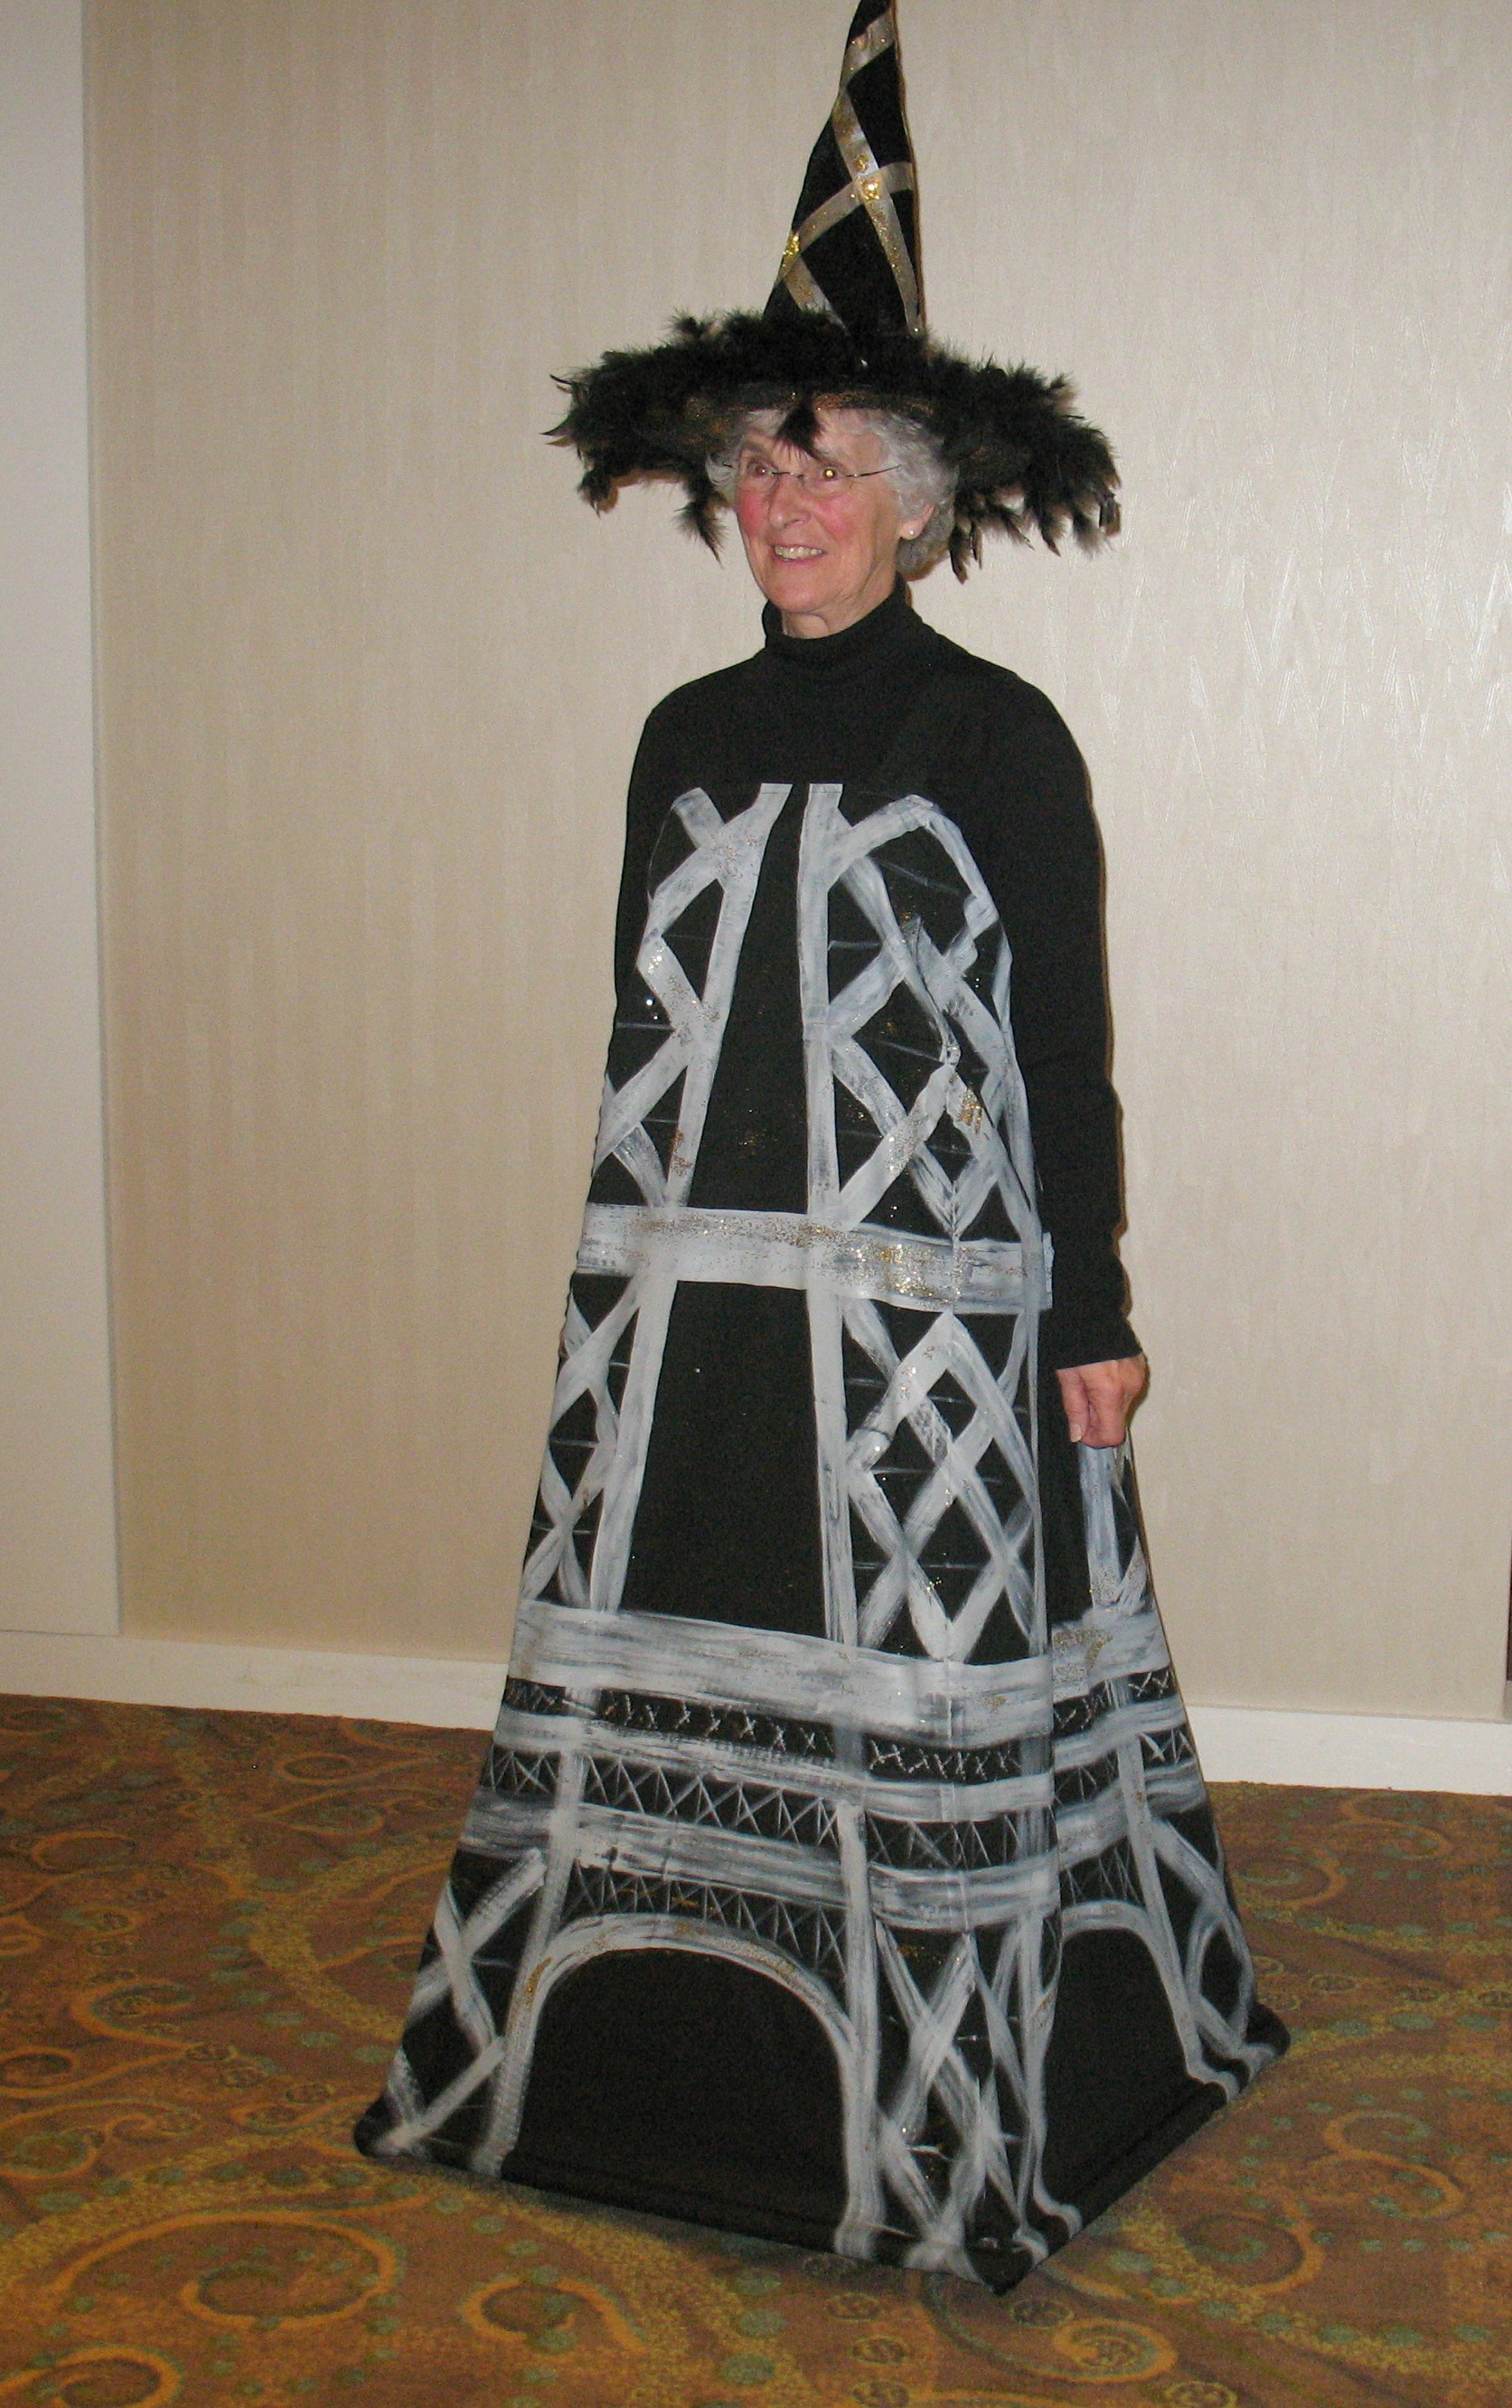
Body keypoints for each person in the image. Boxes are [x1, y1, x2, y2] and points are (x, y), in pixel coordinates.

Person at [357, 0, 1284, 2290]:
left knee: (943, 1700)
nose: (785, 506)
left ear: (916, 502)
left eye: (832, 468)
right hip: (692, 1312)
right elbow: (645, 1047)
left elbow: (1060, 1050)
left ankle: (973, 2095)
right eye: (759, 474)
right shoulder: (678, 734)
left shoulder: (998, 738)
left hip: (935, 1321)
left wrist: (1094, 1308)